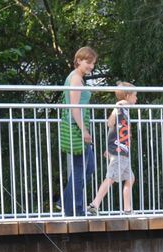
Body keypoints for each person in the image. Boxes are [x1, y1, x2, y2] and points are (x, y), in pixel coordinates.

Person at [60, 46, 97, 217]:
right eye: (88, 62)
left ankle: (65, 202)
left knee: (87, 168)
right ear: (79, 60)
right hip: (76, 129)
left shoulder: (78, 78)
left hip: (78, 127)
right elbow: (74, 108)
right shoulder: (75, 79)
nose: (91, 66)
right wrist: (84, 131)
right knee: (81, 169)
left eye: (93, 63)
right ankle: (76, 209)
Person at [88, 81, 135, 215]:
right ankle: (94, 204)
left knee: (130, 178)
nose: (136, 99)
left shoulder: (125, 110)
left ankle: (127, 209)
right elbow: (110, 123)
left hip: (123, 152)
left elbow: (114, 130)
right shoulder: (120, 107)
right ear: (127, 96)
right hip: (119, 152)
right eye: (135, 95)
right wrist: (118, 105)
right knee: (111, 178)